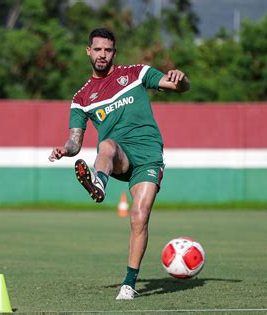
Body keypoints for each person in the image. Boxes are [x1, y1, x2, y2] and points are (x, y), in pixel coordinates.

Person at [48, 28, 190, 300]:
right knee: (107, 145)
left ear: (114, 52)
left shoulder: (136, 73)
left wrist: (181, 79)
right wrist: (64, 150)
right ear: (88, 51)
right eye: (98, 49)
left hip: (149, 154)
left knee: (140, 216)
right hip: (118, 157)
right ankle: (99, 183)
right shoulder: (81, 98)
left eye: (108, 50)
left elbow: (178, 87)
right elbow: (75, 143)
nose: (103, 55)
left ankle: (129, 283)